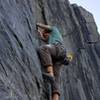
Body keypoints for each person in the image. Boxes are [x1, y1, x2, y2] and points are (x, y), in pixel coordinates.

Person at [36, 23, 73, 100]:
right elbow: (45, 39)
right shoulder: (51, 39)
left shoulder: (54, 30)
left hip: (59, 49)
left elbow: (47, 27)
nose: (44, 37)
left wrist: (37, 24)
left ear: (48, 32)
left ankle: (50, 73)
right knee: (56, 80)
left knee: (43, 48)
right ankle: (55, 98)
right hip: (59, 58)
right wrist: (41, 36)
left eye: (45, 34)